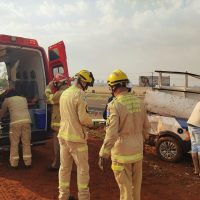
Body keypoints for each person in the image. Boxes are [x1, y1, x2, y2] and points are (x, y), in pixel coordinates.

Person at [99, 69, 150, 200]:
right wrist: (141, 141)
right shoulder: (140, 102)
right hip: (137, 152)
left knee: (125, 191)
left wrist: (103, 153)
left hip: (121, 155)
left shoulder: (114, 105)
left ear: (114, 87)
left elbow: (111, 133)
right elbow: (146, 128)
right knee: (135, 189)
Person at [58, 69, 96, 200]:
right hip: (77, 138)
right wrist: (93, 123)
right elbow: (83, 119)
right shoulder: (80, 94)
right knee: (83, 170)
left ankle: (63, 196)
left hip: (63, 136)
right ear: (83, 82)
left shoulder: (64, 93)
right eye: (87, 84)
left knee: (64, 168)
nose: (86, 88)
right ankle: (84, 197)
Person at [0, 89, 32, 168]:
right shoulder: (23, 99)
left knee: (14, 143)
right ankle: (28, 163)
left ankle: (14, 164)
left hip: (15, 123)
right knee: (26, 142)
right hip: (27, 121)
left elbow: (2, 113)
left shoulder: (7, 100)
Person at [45, 73, 69, 170]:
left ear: (58, 83)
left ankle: (57, 165)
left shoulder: (60, 93)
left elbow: (48, 97)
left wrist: (49, 86)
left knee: (59, 147)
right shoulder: (70, 91)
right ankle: (64, 165)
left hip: (59, 127)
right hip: (68, 125)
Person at [187, 101, 200, 176]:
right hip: (198, 126)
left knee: (194, 147)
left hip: (190, 125)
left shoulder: (198, 102)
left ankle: (196, 170)